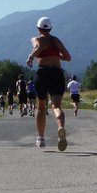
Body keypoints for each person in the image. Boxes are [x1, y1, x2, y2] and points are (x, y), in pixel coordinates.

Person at [26, 16, 71, 151]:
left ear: (38, 28)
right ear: (51, 28)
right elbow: (68, 57)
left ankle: (41, 138)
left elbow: (39, 46)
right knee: (56, 106)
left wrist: (31, 57)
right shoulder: (56, 40)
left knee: (41, 106)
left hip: (43, 73)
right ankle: (60, 128)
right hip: (57, 73)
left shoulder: (36, 38)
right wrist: (57, 56)